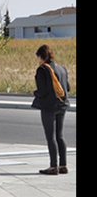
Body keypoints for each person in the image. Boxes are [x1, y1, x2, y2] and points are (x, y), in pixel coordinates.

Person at [32, 44, 70, 175]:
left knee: (50, 136)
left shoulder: (42, 70)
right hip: (62, 104)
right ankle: (63, 165)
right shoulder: (61, 68)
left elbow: (42, 91)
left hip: (49, 106)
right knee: (60, 135)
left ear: (41, 56)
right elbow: (68, 88)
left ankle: (53, 166)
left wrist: (35, 93)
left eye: (38, 57)